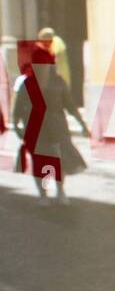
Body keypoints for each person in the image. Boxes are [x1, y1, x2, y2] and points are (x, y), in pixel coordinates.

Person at [10, 57, 89, 203]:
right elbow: (18, 109)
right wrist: (16, 127)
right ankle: (43, 194)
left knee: (59, 160)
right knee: (39, 161)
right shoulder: (27, 84)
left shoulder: (58, 82)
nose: (41, 67)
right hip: (35, 128)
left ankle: (60, 191)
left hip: (57, 127)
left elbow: (70, 106)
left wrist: (82, 124)